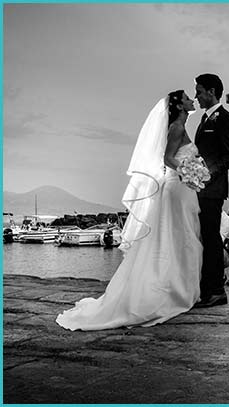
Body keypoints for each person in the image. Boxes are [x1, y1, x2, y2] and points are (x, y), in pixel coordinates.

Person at [56, 90, 204, 330]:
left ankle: (181, 287)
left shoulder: (180, 126)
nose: (191, 100)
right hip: (177, 186)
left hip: (183, 188)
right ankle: (171, 291)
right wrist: (189, 169)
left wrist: (192, 169)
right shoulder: (176, 128)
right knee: (177, 236)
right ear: (179, 106)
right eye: (187, 98)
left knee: (182, 236)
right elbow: (168, 159)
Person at [192, 73, 229, 308]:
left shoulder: (225, 119)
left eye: (199, 91)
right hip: (201, 190)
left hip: (213, 190)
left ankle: (217, 291)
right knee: (206, 238)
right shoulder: (204, 120)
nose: (197, 96)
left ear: (211, 92)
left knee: (211, 240)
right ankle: (209, 287)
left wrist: (207, 175)